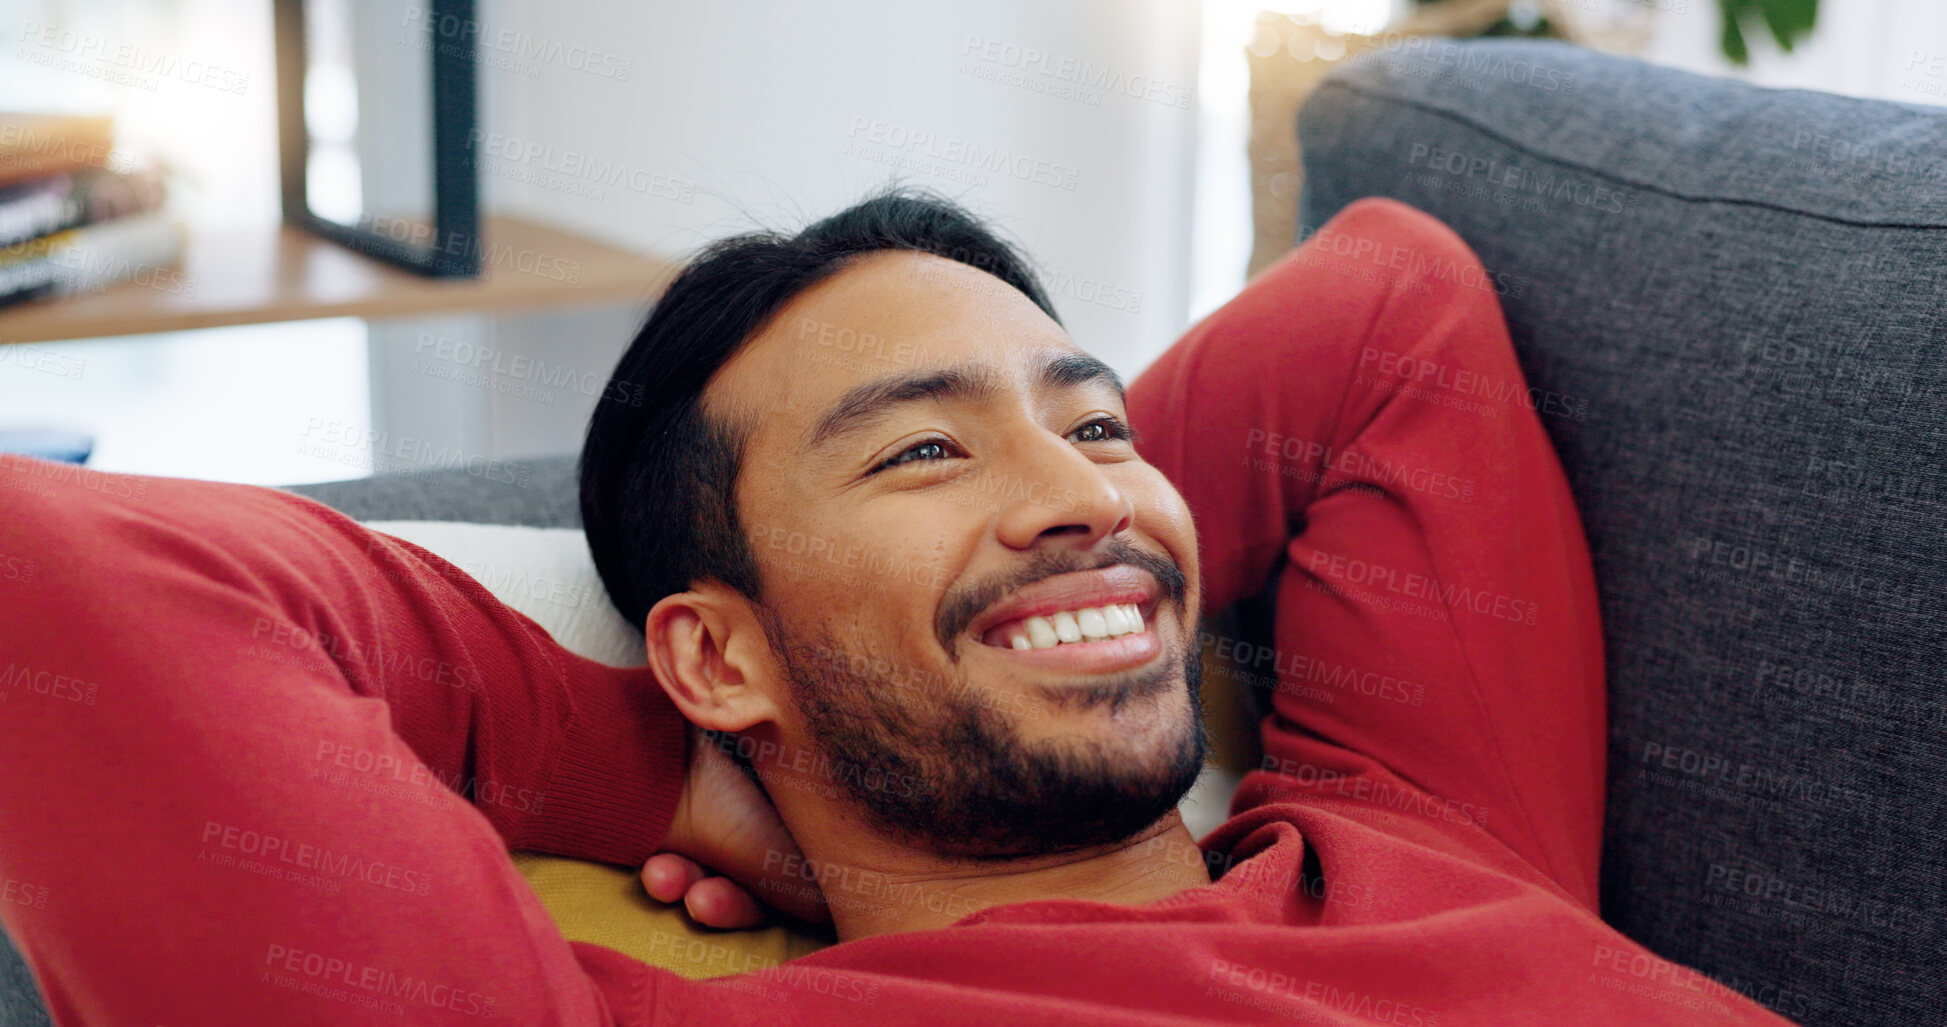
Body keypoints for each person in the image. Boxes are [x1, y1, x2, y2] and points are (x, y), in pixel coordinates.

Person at [0, 189, 1799, 1024]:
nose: (1092, 493)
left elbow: (1389, 298)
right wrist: (672, 764)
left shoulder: (1419, 829)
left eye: (1096, 424)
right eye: (923, 454)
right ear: (714, 652)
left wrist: (1004, 562)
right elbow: (52, 568)